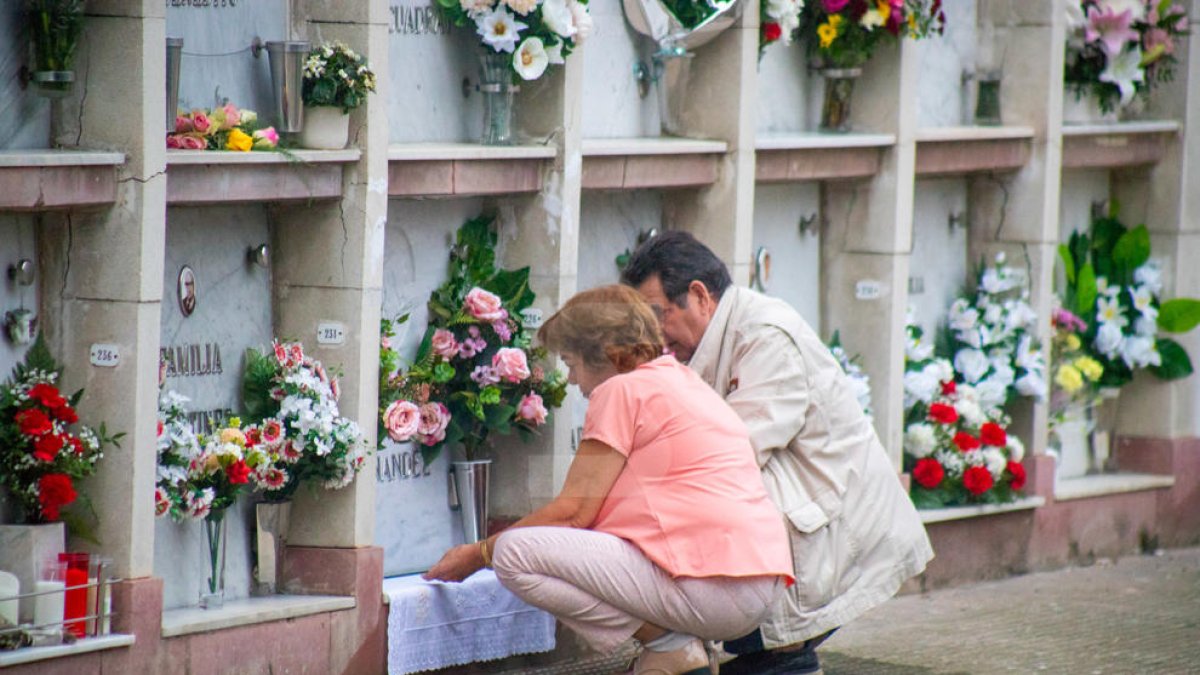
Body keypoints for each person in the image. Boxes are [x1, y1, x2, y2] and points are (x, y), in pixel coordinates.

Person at [424, 284, 794, 675]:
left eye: (571, 362)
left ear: (603, 354)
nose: (569, 380)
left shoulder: (622, 388)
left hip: (714, 589)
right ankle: (677, 646)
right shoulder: (681, 380)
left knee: (512, 553)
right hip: (758, 583)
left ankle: (670, 646)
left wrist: (478, 553)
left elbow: (574, 513)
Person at [622, 231, 934, 675]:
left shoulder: (765, 334)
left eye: (658, 316)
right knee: (767, 656)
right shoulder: (717, 335)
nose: (653, 335)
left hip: (826, 534)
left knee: (773, 653)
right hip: (796, 531)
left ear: (699, 296)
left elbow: (730, 453)